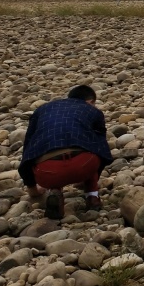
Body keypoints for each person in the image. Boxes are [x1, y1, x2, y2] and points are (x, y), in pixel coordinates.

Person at [18, 85, 113, 219]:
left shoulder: (42, 110)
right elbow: (102, 147)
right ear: (90, 101)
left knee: (48, 153)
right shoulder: (93, 111)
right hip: (84, 164)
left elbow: (28, 147)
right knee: (94, 147)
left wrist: (32, 188)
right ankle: (92, 196)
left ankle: (55, 192)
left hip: (47, 172)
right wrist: (95, 173)